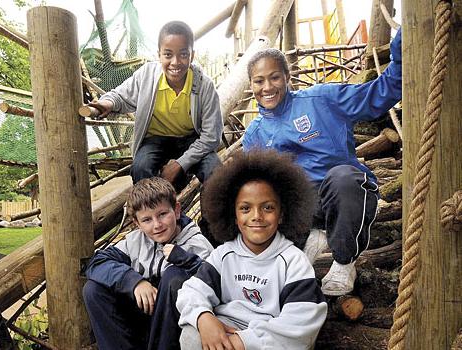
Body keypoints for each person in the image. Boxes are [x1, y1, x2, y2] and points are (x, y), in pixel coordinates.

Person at [242, 29, 402, 296]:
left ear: (287, 77)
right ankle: (313, 235)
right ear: (251, 85)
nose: (267, 87)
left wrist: (402, 42)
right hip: (298, 208)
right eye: (259, 81)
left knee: (344, 177)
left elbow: (379, 94)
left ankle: (343, 261)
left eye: (274, 78)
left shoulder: (322, 100)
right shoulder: (254, 134)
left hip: (342, 194)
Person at [176, 150, 328, 350]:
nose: (256, 216)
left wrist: (243, 342)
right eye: (245, 208)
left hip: (268, 338)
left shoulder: (293, 261)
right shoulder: (224, 255)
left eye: (268, 208)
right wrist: (203, 318)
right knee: (190, 336)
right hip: (225, 329)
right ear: (234, 215)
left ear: (282, 214)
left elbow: (302, 320)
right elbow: (191, 291)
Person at [89, 20, 223, 190]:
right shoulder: (147, 76)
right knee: (140, 168)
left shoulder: (204, 85)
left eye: (183, 54)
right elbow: (120, 96)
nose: (175, 62)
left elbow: (211, 137)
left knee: (215, 172)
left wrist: (180, 164)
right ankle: (153, 214)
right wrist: (108, 103)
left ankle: (211, 217)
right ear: (159, 54)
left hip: (191, 140)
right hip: (155, 140)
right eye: (168, 55)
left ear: (192, 55)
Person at [82, 177, 214, 350]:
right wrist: (134, 282)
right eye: (147, 220)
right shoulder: (135, 242)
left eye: (162, 214)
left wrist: (186, 260)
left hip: (176, 327)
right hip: (144, 320)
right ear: (137, 223)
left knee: (174, 276)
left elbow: (214, 282)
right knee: (93, 289)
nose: (157, 225)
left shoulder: (196, 243)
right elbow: (96, 263)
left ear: (176, 210)